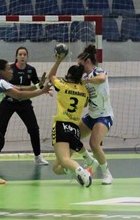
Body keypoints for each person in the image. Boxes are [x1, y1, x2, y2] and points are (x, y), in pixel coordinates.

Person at [0, 47, 48, 165]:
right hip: (7, 102)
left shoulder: (31, 70)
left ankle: (38, 157)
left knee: (34, 128)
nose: (22, 56)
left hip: (24, 103)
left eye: (24, 54)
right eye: (20, 54)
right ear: (16, 57)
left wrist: (44, 89)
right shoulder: (9, 69)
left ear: (27, 57)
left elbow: (36, 84)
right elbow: (9, 86)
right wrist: (36, 88)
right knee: (0, 130)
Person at [48, 51, 92, 187]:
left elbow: (51, 77)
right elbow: (84, 104)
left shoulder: (62, 85)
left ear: (69, 75)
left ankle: (83, 173)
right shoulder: (84, 90)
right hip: (75, 129)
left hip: (62, 126)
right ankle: (79, 171)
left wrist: (58, 60)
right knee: (57, 168)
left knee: (65, 160)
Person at [77, 44, 114, 185]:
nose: (79, 68)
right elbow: (86, 102)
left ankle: (107, 173)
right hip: (91, 115)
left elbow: (102, 79)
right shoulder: (85, 78)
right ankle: (90, 161)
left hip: (104, 115)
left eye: (80, 64)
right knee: (74, 137)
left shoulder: (97, 72)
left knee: (94, 143)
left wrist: (85, 81)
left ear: (87, 62)